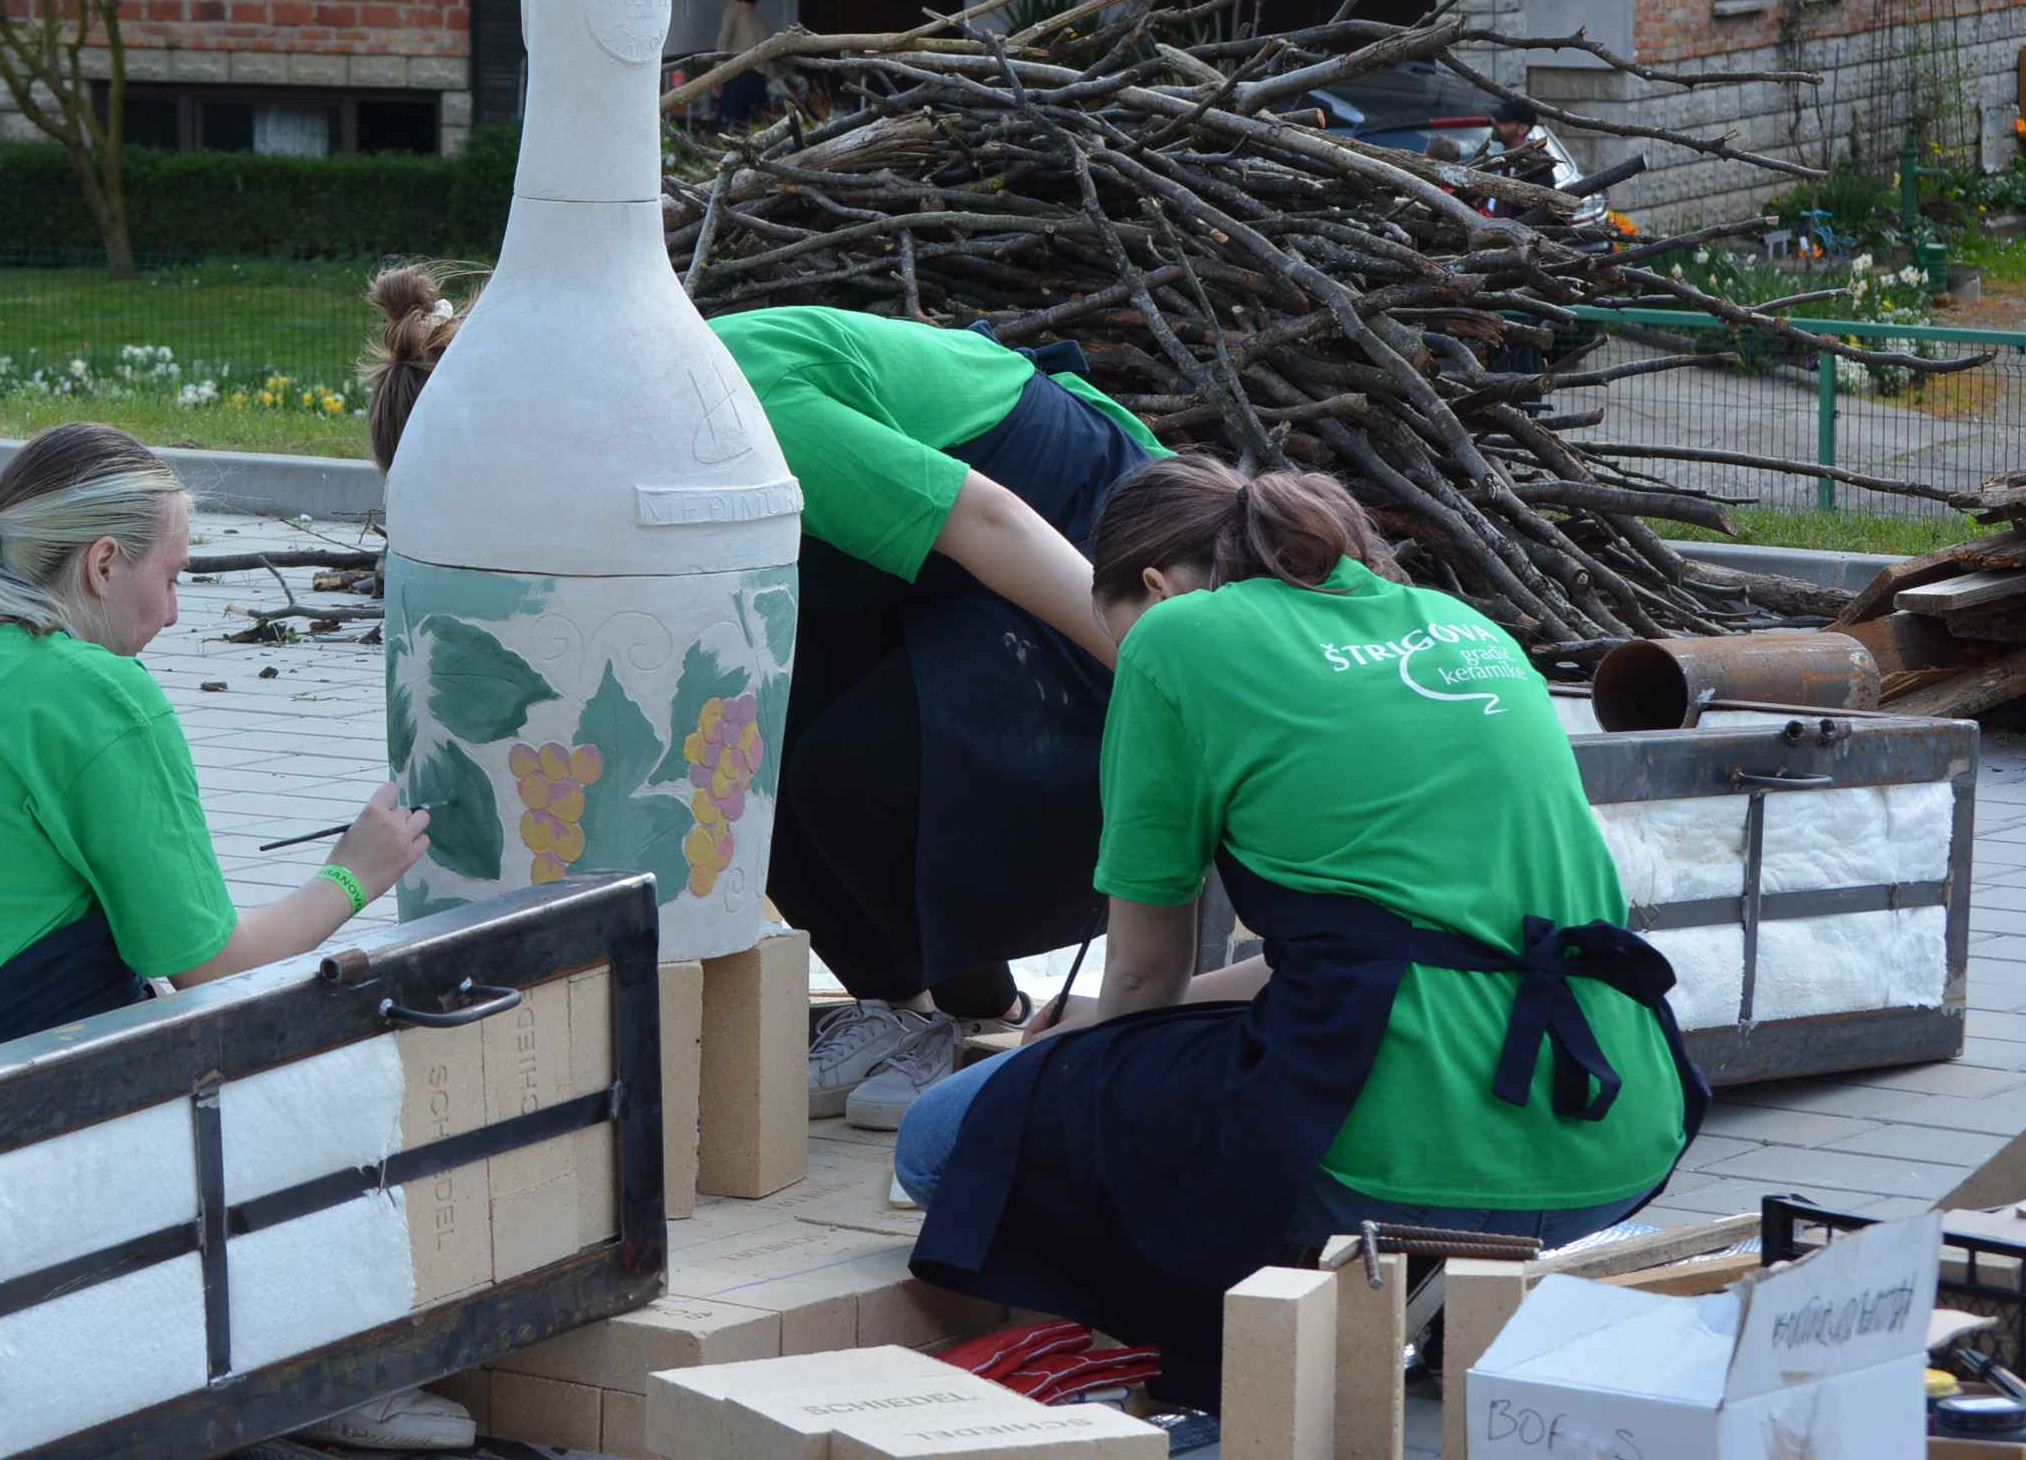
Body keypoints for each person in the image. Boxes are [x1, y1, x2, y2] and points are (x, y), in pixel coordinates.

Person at [894, 457, 1702, 1406]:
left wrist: (1078, 1088)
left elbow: (1146, 976)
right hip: (1612, 1140)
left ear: (1153, 590)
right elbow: (1390, 945)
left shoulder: (1179, 638)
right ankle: (1440, 1288)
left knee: (943, 1140)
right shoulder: (1458, 624)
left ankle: (1316, 1289)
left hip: (1391, 1165)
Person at [361, 271, 1165, 1131]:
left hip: (1069, 535)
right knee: (731, 755)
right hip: (912, 565)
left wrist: (1163, 669)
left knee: (868, 765)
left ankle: (976, 1014)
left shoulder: (722, 407)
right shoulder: (614, 446)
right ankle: (896, 1003)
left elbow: (990, 524)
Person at [0, 423, 465, 1454]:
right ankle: (329, 1372)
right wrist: (356, 869)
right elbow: (213, 964)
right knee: (342, 1047)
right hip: (18, 1091)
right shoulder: (88, 691)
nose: (174, 606)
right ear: (102, 562)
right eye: (174, 574)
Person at [716, 0, 774, 127]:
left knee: (729, 127)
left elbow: (723, 43)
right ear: (755, 2)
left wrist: (717, 77)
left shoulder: (732, 11)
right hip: (759, 80)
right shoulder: (762, 24)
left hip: (737, 78)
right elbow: (770, 61)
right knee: (755, 127)